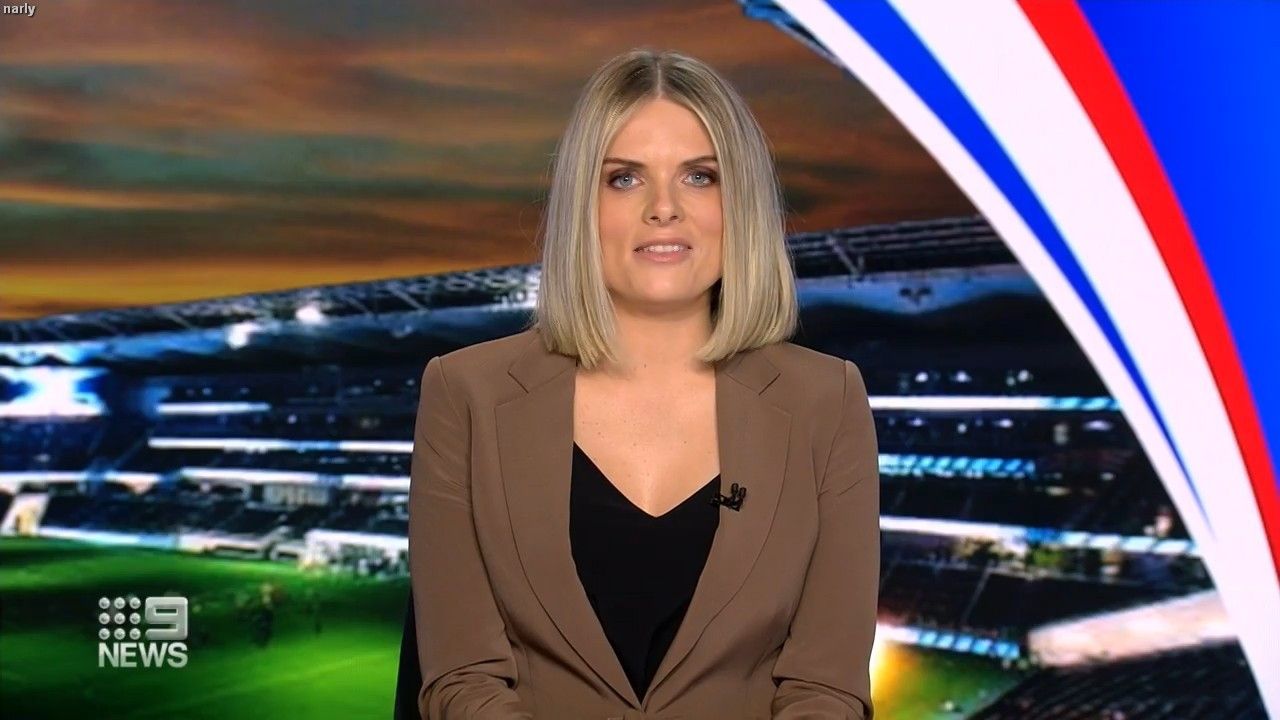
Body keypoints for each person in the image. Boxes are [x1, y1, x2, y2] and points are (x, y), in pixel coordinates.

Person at [408, 48, 880, 719]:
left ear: (741, 205)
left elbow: (826, 688)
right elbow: (462, 679)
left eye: (700, 177)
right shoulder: (464, 392)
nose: (664, 208)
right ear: (582, 205)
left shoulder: (827, 400)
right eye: (625, 179)